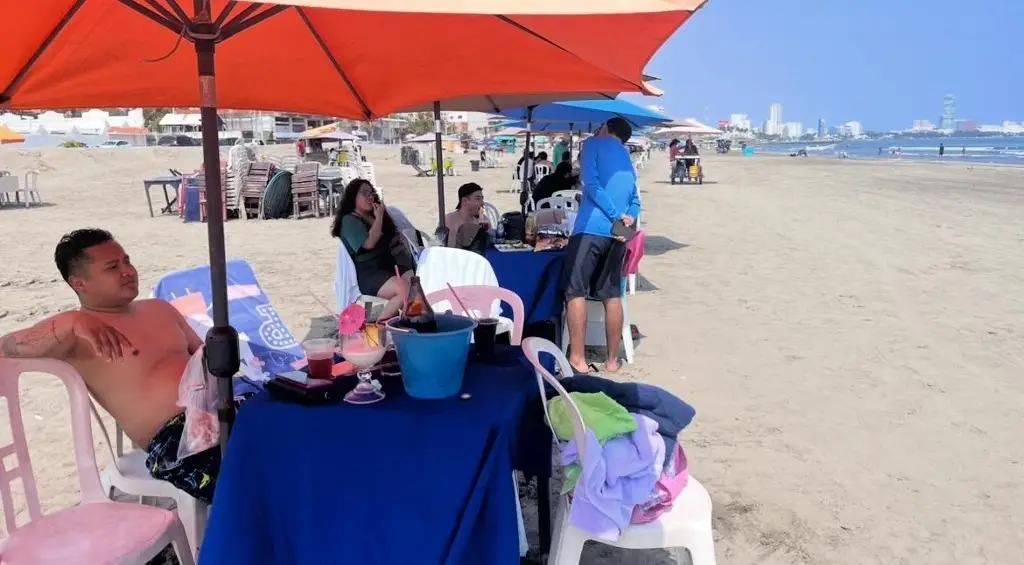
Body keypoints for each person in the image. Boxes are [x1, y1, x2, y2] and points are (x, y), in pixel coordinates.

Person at [0, 229, 224, 503]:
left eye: (127, 261)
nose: (128, 271)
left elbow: (206, 358)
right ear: (80, 284)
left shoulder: (159, 308)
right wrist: (74, 320)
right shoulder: (77, 336)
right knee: (256, 477)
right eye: (112, 267)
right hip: (178, 441)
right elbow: (7, 346)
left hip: (219, 408)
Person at [561, 117, 640, 374]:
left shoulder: (593, 144)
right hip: (617, 235)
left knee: (575, 291)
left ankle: (578, 359)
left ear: (606, 127)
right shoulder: (628, 159)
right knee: (611, 294)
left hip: (591, 228)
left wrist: (614, 213)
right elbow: (635, 199)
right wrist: (626, 218)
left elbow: (590, 184)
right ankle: (612, 361)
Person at [332, 179, 413, 319]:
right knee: (403, 291)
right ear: (353, 196)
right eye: (364, 193)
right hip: (369, 272)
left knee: (417, 285)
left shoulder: (373, 215)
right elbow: (369, 243)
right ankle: (379, 325)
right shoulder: (349, 220)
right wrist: (379, 217)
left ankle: (407, 320)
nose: (370, 197)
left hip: (388, 264)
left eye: (371, 193)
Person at [444, 182, 489, 248]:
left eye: (482, 199)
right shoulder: (449, 220)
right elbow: (448, 249)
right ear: (464, 201)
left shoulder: (483, 220)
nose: (482, 203)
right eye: (478, 199)